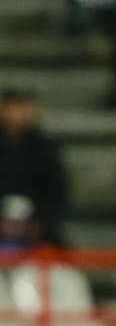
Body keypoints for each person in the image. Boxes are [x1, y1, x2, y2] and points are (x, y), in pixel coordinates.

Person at [0, 88, 69, 248]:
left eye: (23, 108)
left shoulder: (45, 149)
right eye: (13, 107)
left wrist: (39, 222)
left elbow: (56, 191)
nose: (18, 114)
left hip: (37, 229)